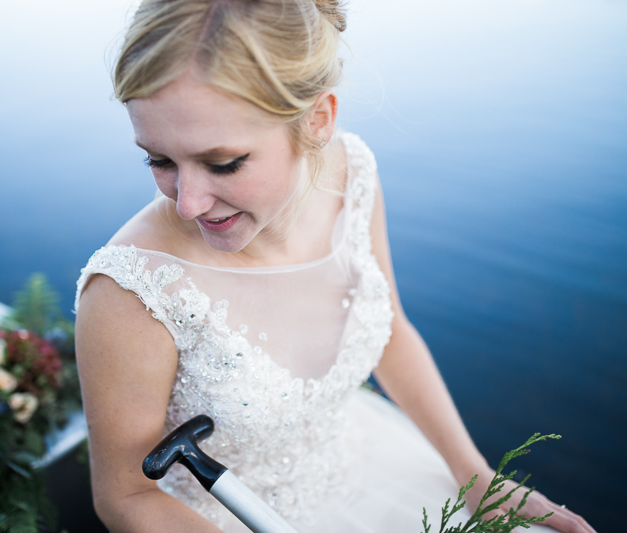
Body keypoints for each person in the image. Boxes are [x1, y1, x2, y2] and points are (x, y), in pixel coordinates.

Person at [74, 1, 596, 531]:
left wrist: (471, 471)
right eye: (158, 160)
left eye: (223, 163)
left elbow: (389, 330)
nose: (187, 203)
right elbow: (127, 495)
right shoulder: (132, 292)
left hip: (371, 468)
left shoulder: (351, 176)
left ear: (318, 119)